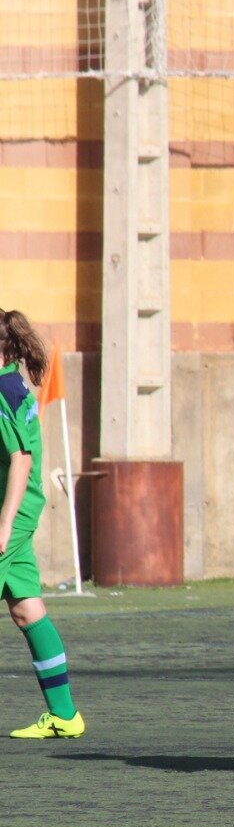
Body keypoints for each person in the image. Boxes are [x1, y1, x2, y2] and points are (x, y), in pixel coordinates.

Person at [0, 311, 83, 740]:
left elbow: (21, 459)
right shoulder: (14, 384)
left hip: (10, 514)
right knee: (25, 608)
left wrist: (4, 524)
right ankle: (65, 714)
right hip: (21, 510)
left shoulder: (2, 391)